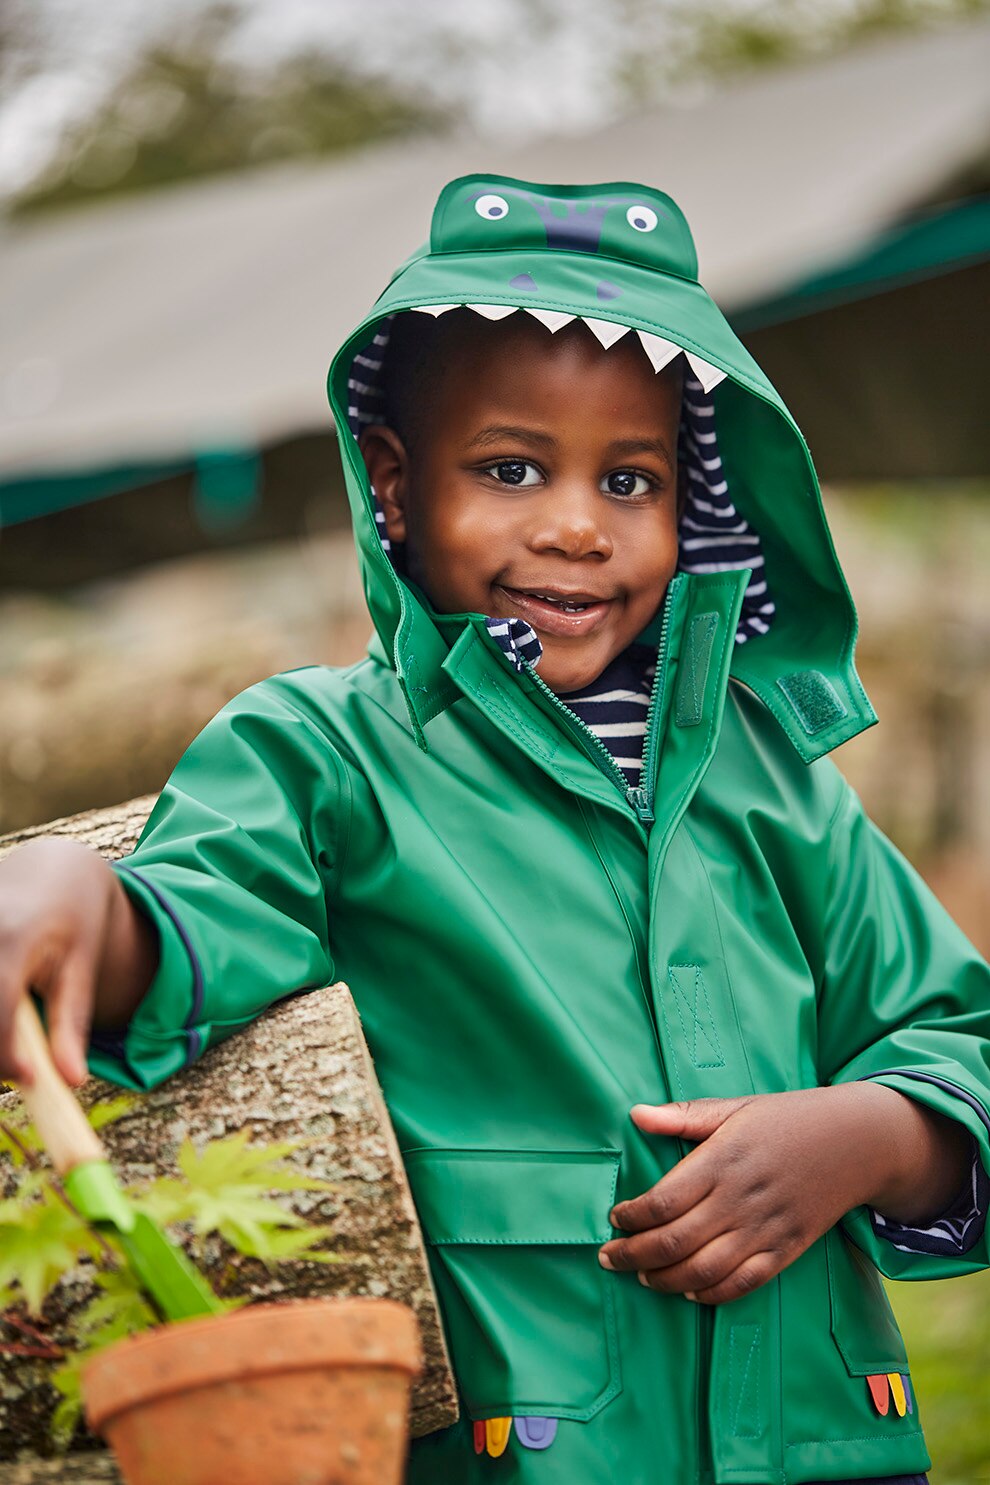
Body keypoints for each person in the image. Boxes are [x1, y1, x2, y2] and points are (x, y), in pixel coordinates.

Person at [1, 175, 988, 1485]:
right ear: (397, 487)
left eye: (629, 478)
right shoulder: (323, 750)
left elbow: (952, 1036)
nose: (577, 524)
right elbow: (190, 925)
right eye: (511, 467)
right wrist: (75, 889)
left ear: (694, 506)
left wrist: (871, 1134)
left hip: (821, 1444)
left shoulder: (779, 783)